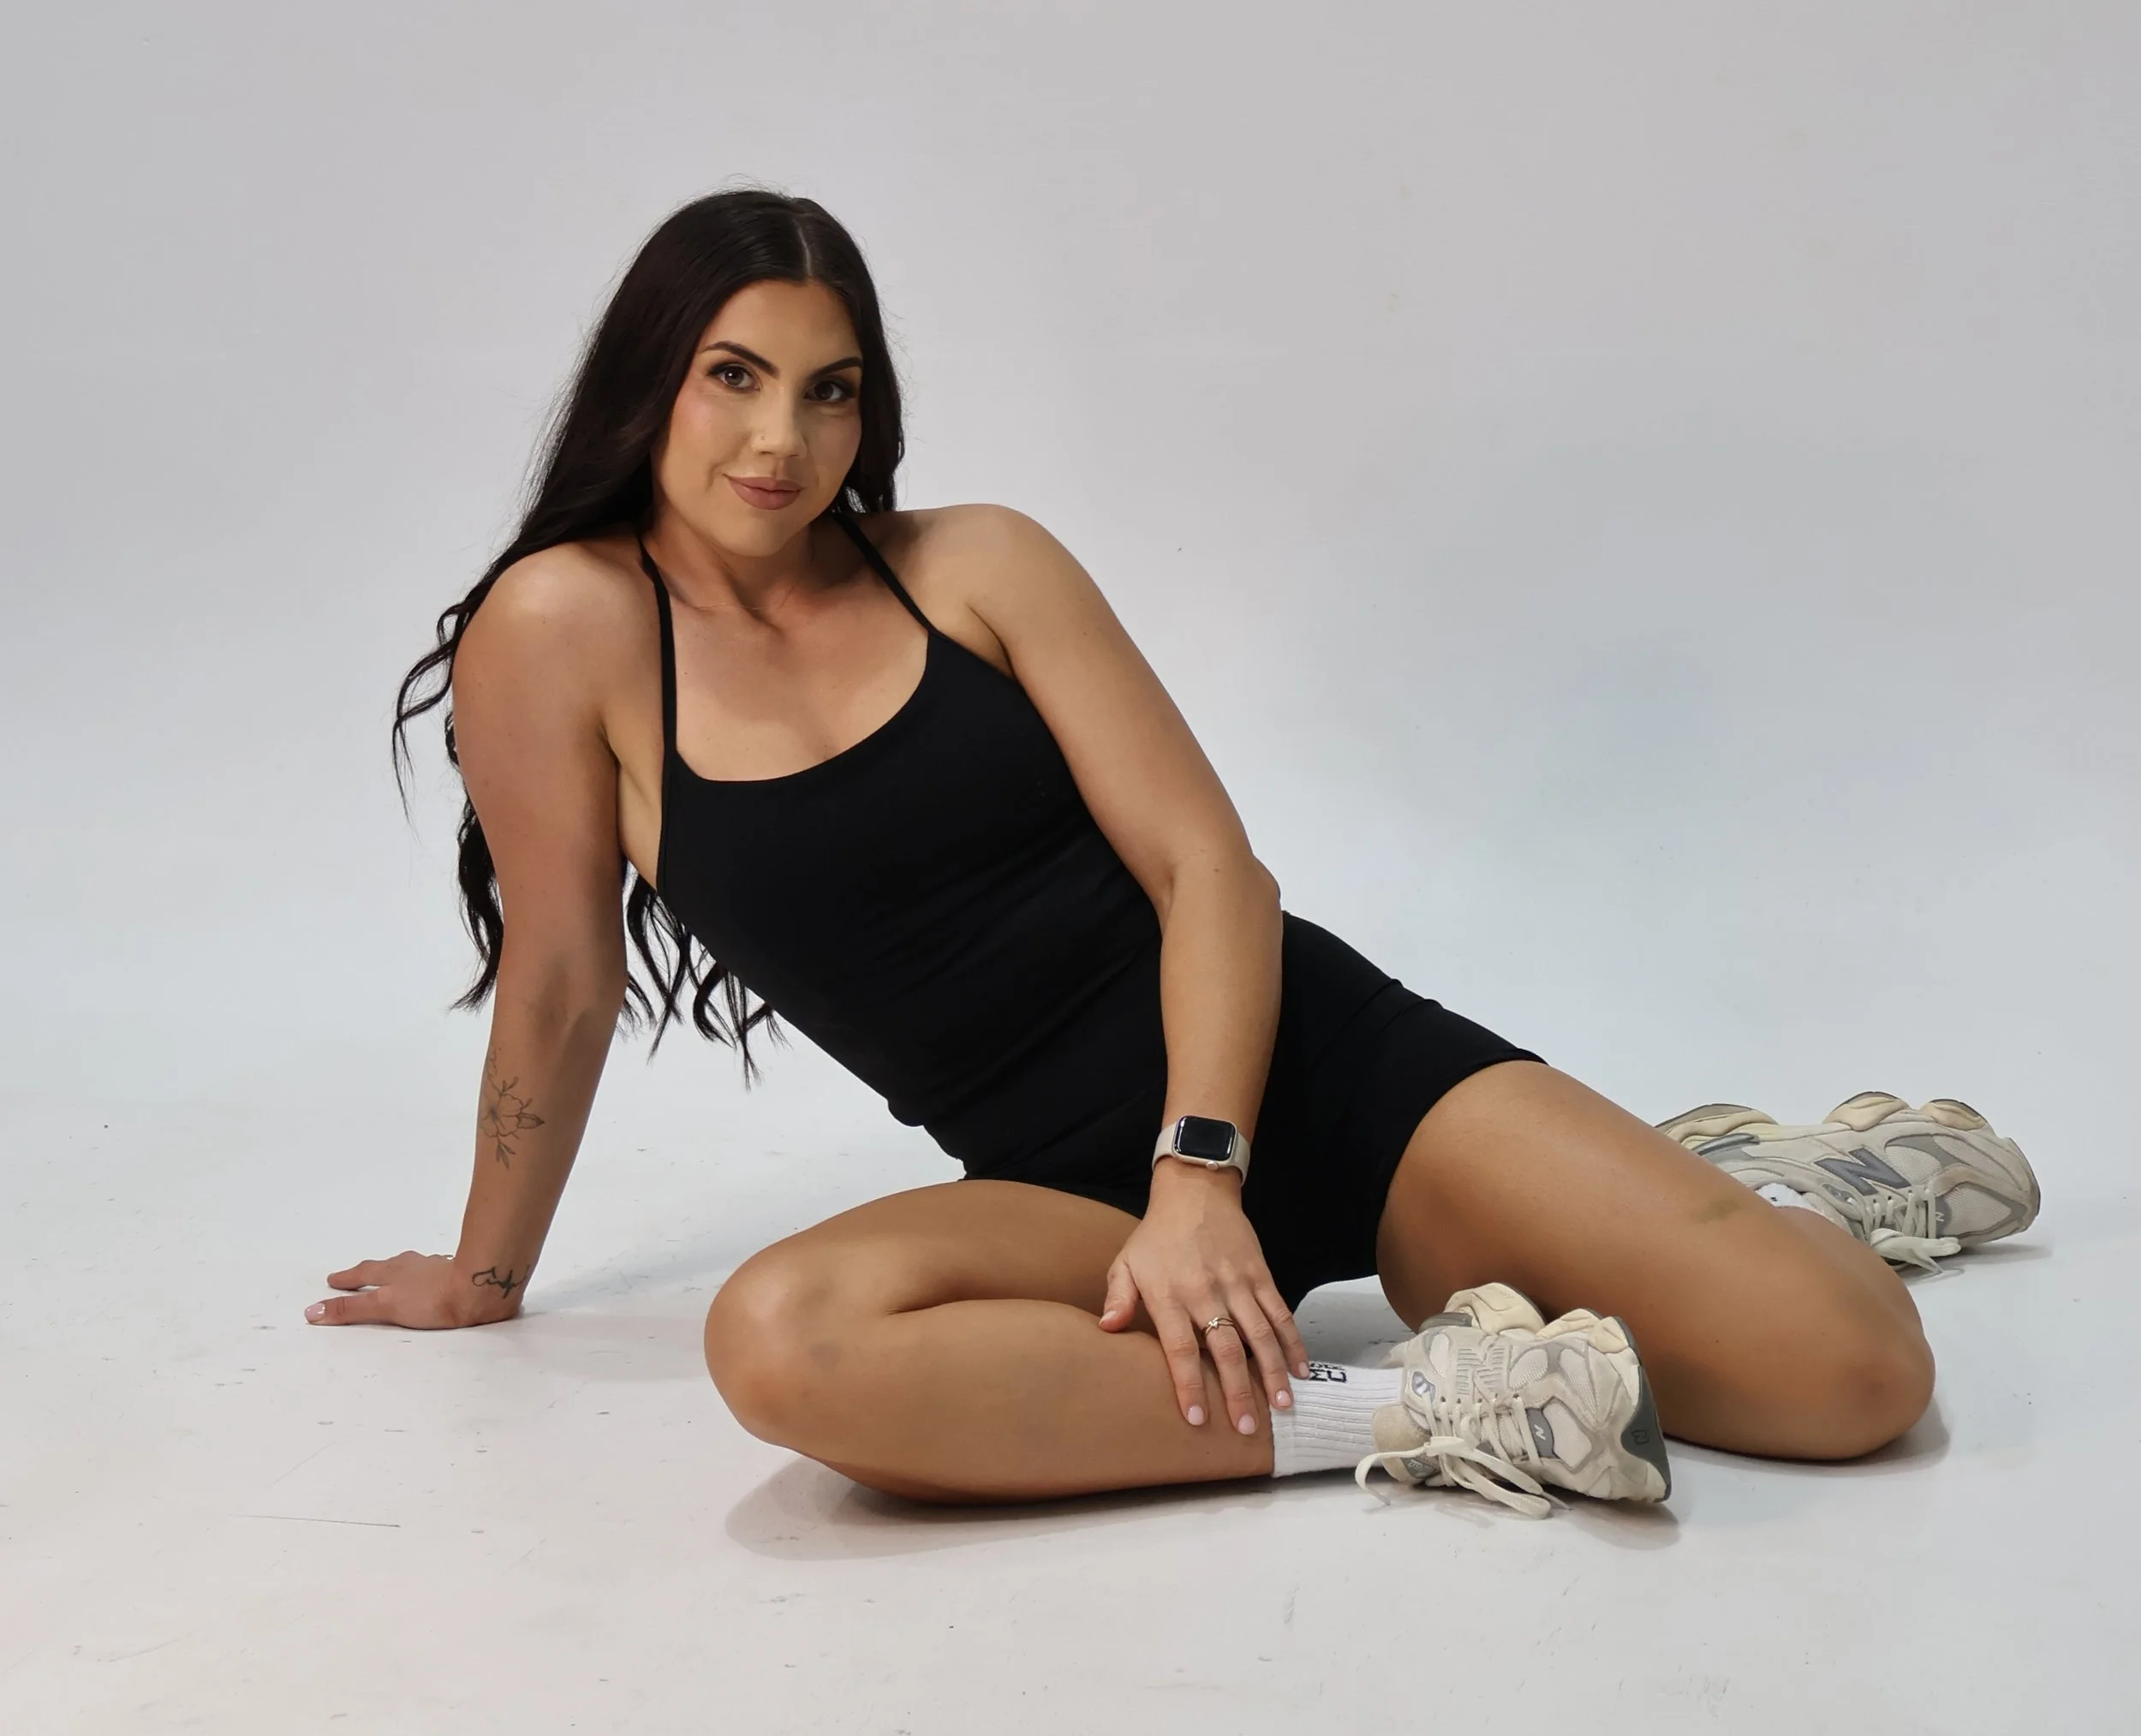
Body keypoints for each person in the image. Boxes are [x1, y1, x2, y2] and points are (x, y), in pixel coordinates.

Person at [309, 189, 1947, 1517]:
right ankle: (1436, 1408)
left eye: (830, 388)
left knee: (1852, 1376)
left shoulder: (974, 566)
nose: (781, 439)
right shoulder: (561, 630)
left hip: (1313, 1074)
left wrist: (1201, 1179)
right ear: (650, 376)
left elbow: (1211, 870)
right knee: (781, 1338)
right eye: (732, 374)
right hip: (1064, 1194)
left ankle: (1766, 1185)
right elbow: (562, 976)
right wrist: (485, 1272)